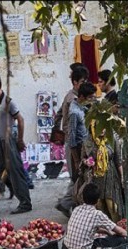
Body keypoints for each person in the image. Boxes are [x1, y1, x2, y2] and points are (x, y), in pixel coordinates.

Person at [0, 72, 32, 214]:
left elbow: (21, 120)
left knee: (16, 172)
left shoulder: (8, 102)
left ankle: (25, 203)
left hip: (8, 141)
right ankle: (4, 186)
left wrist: (20, 140)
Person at [55, 65, 90, 218]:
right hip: (74, 142)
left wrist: (57, 127)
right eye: (82, 81)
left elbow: (58, 114)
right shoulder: (74, 99)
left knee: (78, 175)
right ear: (75, 82)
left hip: (72, 140)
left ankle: (69, 202)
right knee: (78, 175)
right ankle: (66, 203)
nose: (84, 84)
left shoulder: (70, 95)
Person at [62, 183, 127, 249]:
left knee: (100, 238)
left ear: (83, 197)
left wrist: (107, 232)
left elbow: (87, 227)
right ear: (98, 200)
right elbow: (121, 232)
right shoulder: (97, 214)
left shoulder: (76, 209)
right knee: (120, 240)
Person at [69, 82, 97, 185]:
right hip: (80, 149)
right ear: (81, 97)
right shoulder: (74, 112)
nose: (92, 100)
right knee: (80, 180)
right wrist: (76, 160)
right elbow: (71, 137)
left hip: (88, 147)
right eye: (90, 98)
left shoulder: (85, 107)